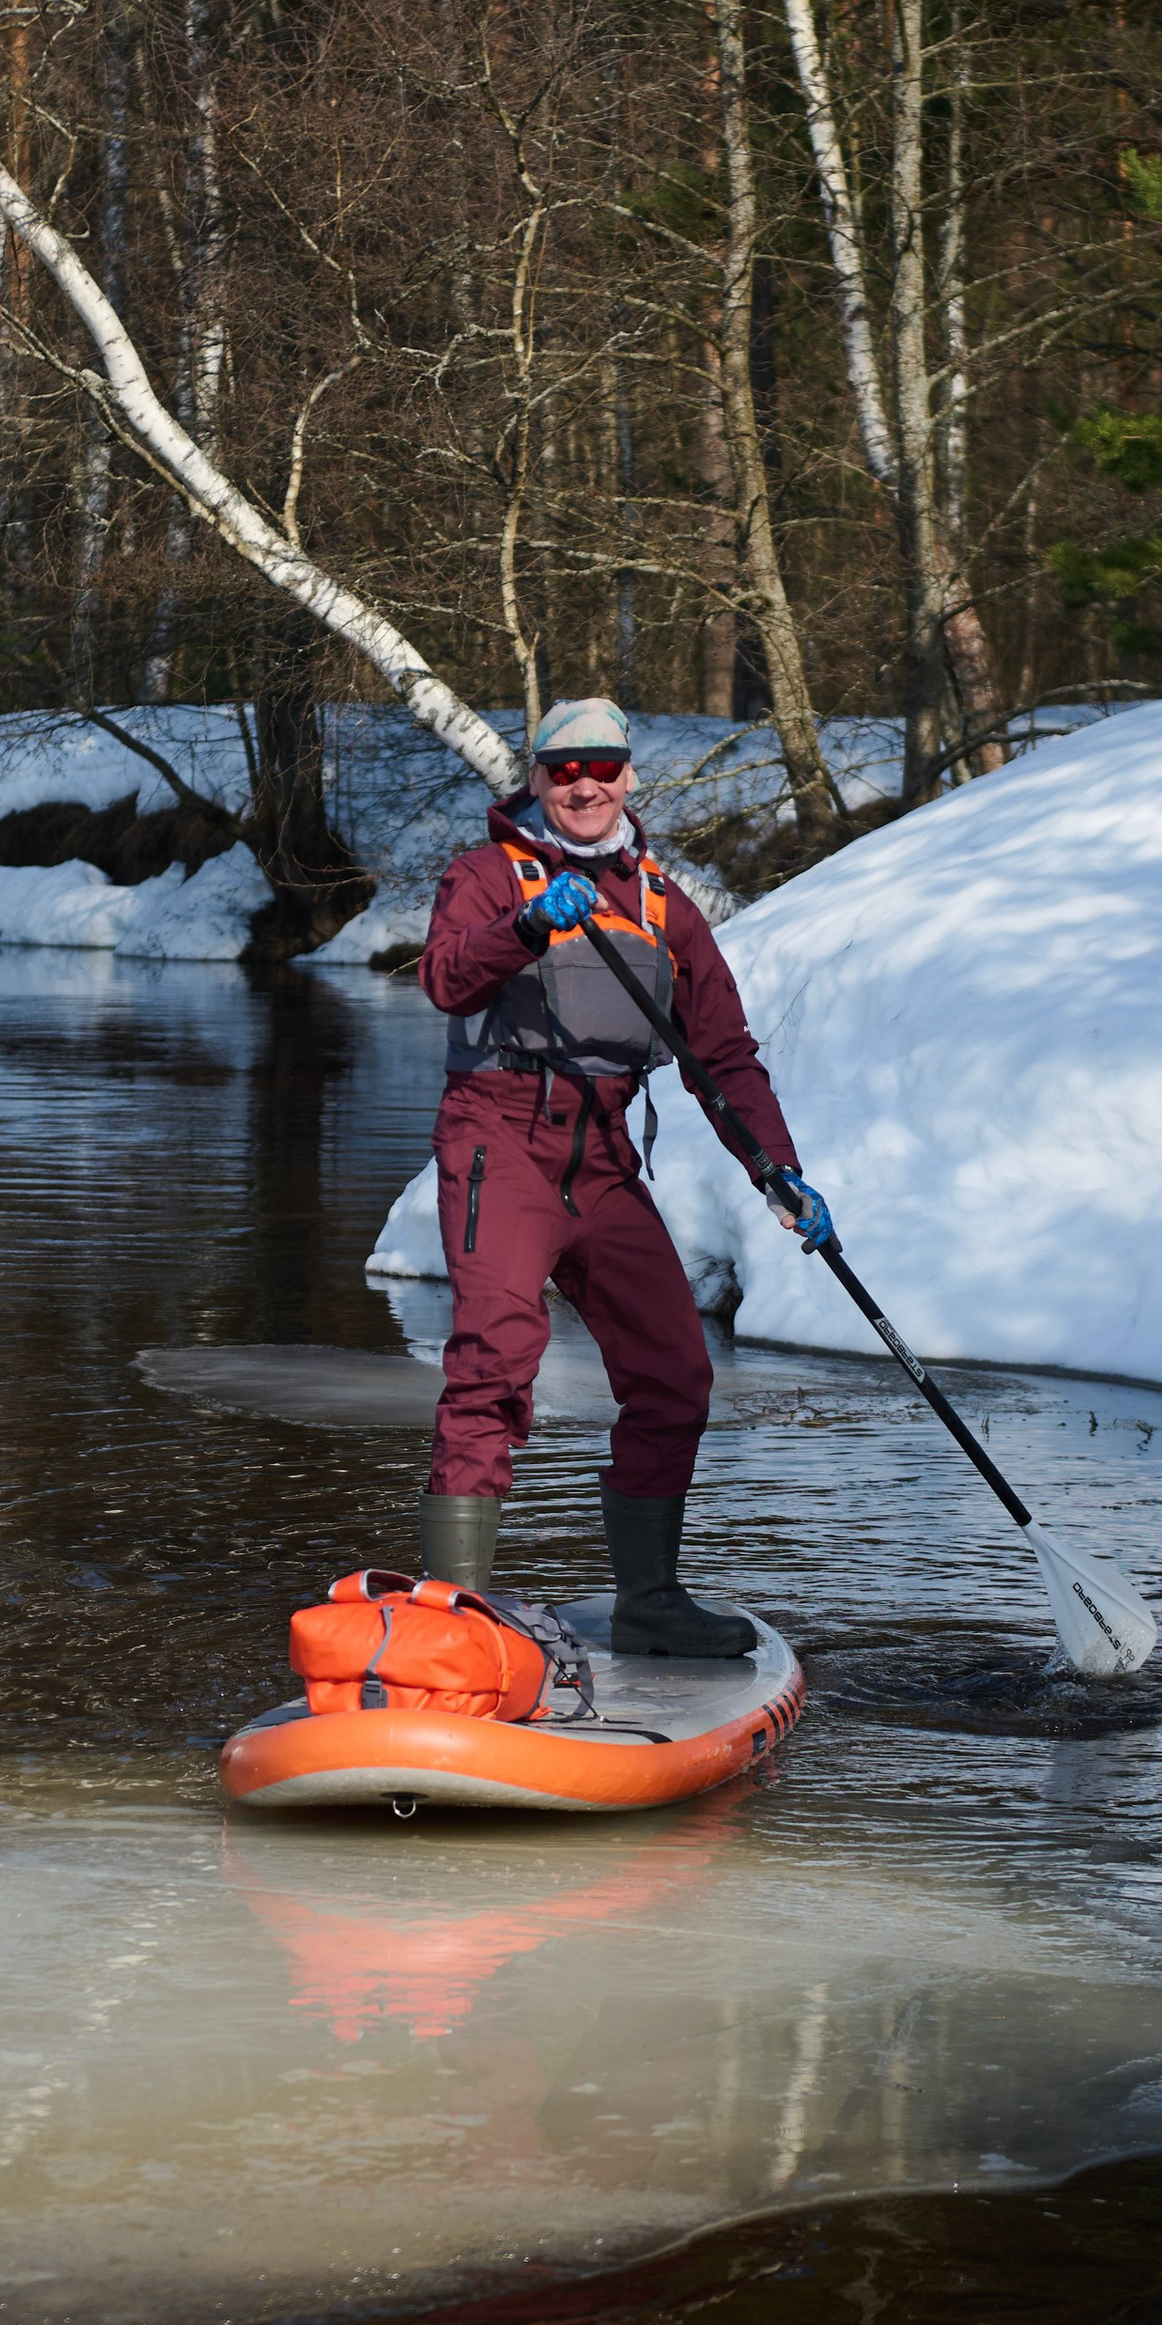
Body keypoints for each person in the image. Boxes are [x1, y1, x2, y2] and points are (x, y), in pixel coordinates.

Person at [415, 696, 833, 1658]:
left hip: (603, 1157)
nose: (585, 785)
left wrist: (779, 1172)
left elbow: (722, 1055)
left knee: (676, 1372)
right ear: (537, 780)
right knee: (492, 1362)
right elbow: (444, 978)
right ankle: (453, 1623)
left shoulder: (663, 905)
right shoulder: (485, 877)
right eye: (564, 770)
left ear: (629, 777)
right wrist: (526, 928)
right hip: (499, 1142)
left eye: (602, 767)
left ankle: (648, 1601)